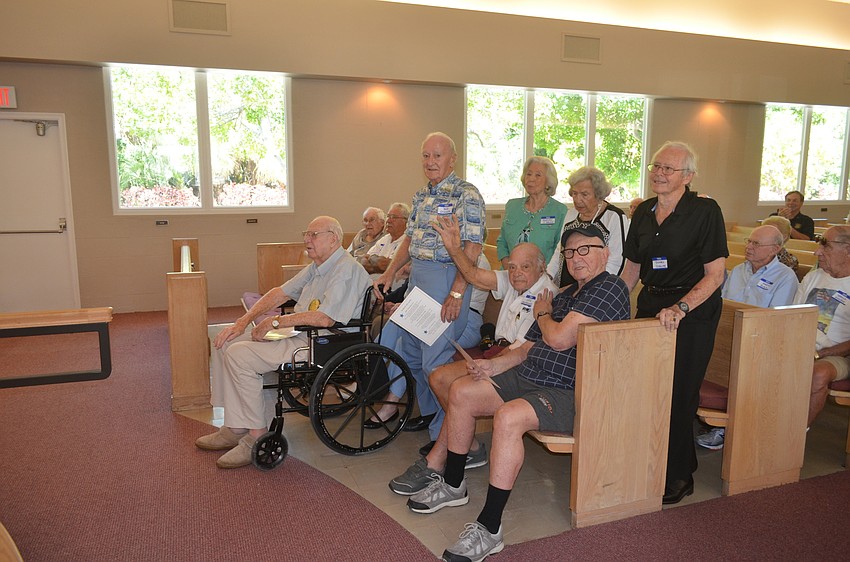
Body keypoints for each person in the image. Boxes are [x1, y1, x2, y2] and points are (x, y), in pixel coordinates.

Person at [400, 224, 629, 562]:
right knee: (462, 391)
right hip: (530, 374)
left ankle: (490, 528)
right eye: (570, 252)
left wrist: (543, 313)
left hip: (571, 391)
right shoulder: (565, 294)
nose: (577, 258)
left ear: (605, 254)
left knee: (508, 417)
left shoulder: (609, 287)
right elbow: (525, 349)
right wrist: (493, 367)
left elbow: (560, 338)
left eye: (586, 250)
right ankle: (453, 484)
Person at [196, 216, 371, 469]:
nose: (306, 240)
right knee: (226, 341)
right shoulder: (319, 266)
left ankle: (256, 437)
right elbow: (280, 292)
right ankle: (234, 427)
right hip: (300, 334)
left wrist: (277, 322)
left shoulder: (345, 269)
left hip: (323, 343)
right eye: (306, 233)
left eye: (313, 235)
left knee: (240, 356)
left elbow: (325, 318)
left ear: (333, 238)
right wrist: (243, 321)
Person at [381, 215, 559, 461]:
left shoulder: (546, 294)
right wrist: (454, 248)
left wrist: (490, 364)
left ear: (542, 267)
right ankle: (468, 443)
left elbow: (522, 350)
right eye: (512, 267)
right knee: (437, 375)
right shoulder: (515, 281)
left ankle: (450, 449)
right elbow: (473, 275)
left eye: (525, 267)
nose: (516, 273)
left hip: (516, 363)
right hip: (497, 351)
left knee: (446, 381)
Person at [620, 141, 728, 504]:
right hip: (652, 303)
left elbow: (715, 275)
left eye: (668, 169)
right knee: (649, 390)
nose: (659, 173)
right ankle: (651, 462)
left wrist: (682, 307)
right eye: (656, 166)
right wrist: (610, 304)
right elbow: (632, 268)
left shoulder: (705, 211)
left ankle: (680, 475)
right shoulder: (645, 211)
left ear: (688, 176)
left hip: (693, 312)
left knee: (680, 394)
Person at [373, 132, 486, 443]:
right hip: (417, 284)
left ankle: (453, 439)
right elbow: (408, 239)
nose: (431, 162)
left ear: (452, 159)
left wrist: (457, 293)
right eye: (426, 156)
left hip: (446, 280)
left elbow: (473, 248)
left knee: (434, 364)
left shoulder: (467, 194)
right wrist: (390, 273)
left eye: (437, 156)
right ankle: (433, 420)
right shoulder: (421, 196)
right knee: (409, 357)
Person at [696, 224, 798, 450]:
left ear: (775, 249)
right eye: (749, 242)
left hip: (761, 340)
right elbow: (722, 304)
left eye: (756, 244)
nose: (749, 247)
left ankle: (728, 427)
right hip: (727, 334)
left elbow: (774, 320)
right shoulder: (739, 270)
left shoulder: (785, 277)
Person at [794, 226, 850, 429]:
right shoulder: (813, 277)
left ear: (848, 250)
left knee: (819, 373)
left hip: (837, 355)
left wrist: (819, 353)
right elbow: (792, 316)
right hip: (801, 346)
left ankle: (796, 434)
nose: (817, 251)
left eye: (825, 245)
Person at [548, 166, 629, 287]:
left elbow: (616, 261)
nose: (577, 199)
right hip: (564, 288)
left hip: (598, 288)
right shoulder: (571, 215)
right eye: (574, 193)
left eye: (584, 194)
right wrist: (548, 276)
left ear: (598, 194)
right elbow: (560, 252)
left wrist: (586, 288)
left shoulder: (614, 216)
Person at [495, 156, 567, 268]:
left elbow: (560, 250)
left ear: (548, 181)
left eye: (538, 175)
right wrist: (509, 268)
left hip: (543, 276)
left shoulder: (560, 211)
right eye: (528, 174)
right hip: (508, 273)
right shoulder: (512, 206)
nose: (531, 179)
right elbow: (502, 241)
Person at [358, 202, 411, 284]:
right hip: (374, 279)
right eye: (388, 216)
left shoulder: (408, 242)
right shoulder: (385, 239)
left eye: (394, 217)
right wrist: (378, 262)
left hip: (395, 282)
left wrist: (375, 262)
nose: (389, 220)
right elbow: (364, 260)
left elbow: (393, 266)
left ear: (406, 221)